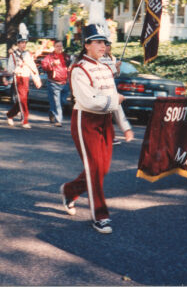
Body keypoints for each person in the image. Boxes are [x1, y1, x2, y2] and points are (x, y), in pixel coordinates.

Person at [60, 24, 133, 234]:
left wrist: (125, 126)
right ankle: (100, 216)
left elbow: (114, 99)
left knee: (102, 169)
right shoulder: (79, 69)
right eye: (98, 42)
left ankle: (69, 190)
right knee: (94, 169)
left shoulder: (105, 68)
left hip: (105, 121)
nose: (103, 46)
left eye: (105, 42)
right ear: (87, 45)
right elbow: (90, 101)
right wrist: (114, 100)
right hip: (86, 121)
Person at [6, 24, 41, 129]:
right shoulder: (13, 55)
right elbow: (9, 69)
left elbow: (33, 68)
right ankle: (24, 120)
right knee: (23, 99)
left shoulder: (28, 55)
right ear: (18, 43)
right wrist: (15, 70)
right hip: (18, 78)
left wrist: (36, 79)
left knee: (22, 100)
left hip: (26, 78)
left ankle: (10, 115)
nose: (23, 44)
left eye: (25, 42)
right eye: (21, 42)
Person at [41, 40, 70, 127]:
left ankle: (52, 112)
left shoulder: (66, 56)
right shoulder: (50, 57)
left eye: (61, 46)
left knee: (62, 102)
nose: (59, 48)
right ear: (54, 47)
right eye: (57, 46)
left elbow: (70, 66)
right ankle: (58, 120)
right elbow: (44, 66)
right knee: (57, 103)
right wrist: (52, 64)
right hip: (54, 83)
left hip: (65, 83)